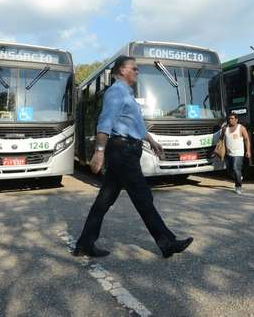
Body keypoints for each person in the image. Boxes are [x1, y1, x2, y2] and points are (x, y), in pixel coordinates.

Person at [72, 55, 193, 259]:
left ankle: (85, 243)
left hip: (127, 150)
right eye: (134, 68)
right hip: (122, 151)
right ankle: (167, 242)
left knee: (105, 199)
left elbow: (135, 126)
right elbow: (105, 123)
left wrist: (152, 141)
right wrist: (99, 152)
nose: (137, 72)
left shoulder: (127, 94)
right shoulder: (116, 92)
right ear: (121, 70)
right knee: (143, 196)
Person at [222, 112, 251, 195]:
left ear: (236, 119)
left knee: (236, 169)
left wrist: (248, 151)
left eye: (232, 118)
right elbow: (221, 139)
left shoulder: (241, 128)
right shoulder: (225, 129)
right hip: (228, 154)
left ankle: (238, 186)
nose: (230, 120)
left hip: (238, 153)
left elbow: (246, 139)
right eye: (229, 118)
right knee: (229, 171)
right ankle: (239, 177)